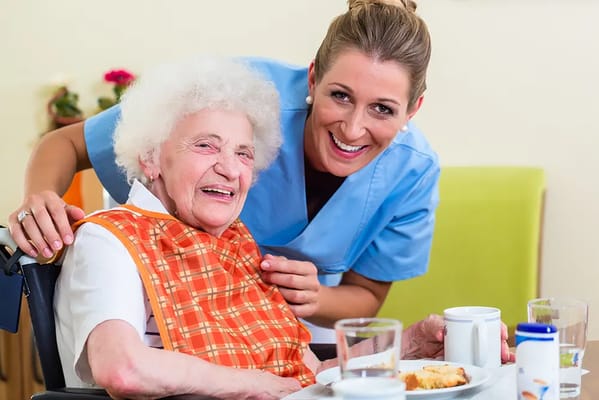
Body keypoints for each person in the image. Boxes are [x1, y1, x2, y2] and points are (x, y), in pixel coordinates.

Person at [9, 0, 513, 361]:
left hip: (285, 340)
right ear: (312, 79)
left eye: (383, 109)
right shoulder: (238, 99)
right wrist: (41, 201)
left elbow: (360, 303)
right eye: (339, 96)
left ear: (413, 110)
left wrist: (322, 302)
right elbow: (67, 144)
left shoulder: (413, 171)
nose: (353, 128)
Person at [54, 56, 317, 399]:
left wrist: (405, 346)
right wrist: (249, 382)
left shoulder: (233, 242)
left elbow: (306, 373)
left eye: (244, 154)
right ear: (151, 157)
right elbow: (120, 368)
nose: (229, 168)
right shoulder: (107, 239)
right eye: (206, 145)